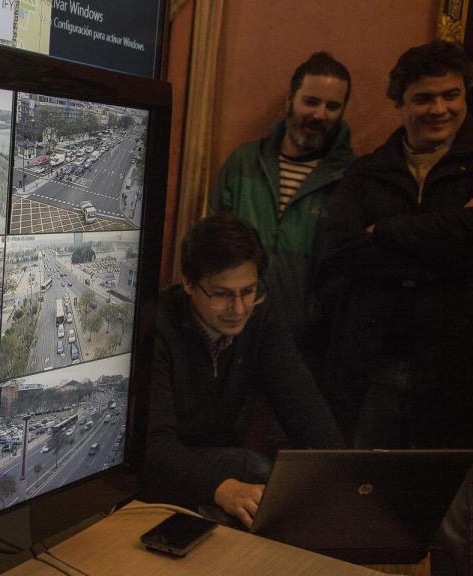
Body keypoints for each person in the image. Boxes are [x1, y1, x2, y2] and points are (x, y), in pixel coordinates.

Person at [321, 40, 473, 575]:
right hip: (375, 367)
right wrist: (446, 250)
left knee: (452, 520)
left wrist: (385, 232)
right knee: (362, 503)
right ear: (400, 103)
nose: (439, 109)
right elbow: (339, 252)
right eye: (423, 98)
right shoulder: (366, 174)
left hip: (456, 372)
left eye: (451, 95)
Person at [141, 213, 343, 528]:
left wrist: (341, 473)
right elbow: (153, 445)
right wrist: (221, 488)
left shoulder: (261, 316)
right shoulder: (157, 325)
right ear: (189, 284)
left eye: (248, 291)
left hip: (221, 456)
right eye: (222, 294)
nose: (238, 309)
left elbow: (303, 405)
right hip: (161, 465)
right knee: (254, 470)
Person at [210, 52, 354, 358]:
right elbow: (213, 244)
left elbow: (346, 269)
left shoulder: (351, 179)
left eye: (332, 106)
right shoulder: (244, 162)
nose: (320, 114)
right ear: (290, 99)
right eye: (311, 101)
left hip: (306, 346)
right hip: (233, 335)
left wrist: (313, 314)